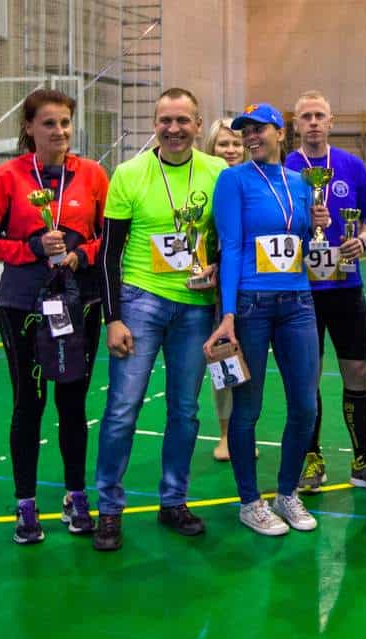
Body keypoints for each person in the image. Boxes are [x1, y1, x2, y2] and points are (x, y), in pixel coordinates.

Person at [0, 88, 110, 546]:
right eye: (48, 123)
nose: (59, 131)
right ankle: (26, 503)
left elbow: (110, 237)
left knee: (72, 404)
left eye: (65, 122)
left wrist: (82, 255)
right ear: (29, 128)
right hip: (23, 306)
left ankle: (76, 495)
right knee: (28, 404)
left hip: (79, 303)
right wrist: (31, 247)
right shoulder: (9, 175)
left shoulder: (92, 175)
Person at [92, 88, 226, 547]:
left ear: (198, 124)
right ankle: (109, 509)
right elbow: (108, 253)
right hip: (140, 302)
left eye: (183, 120)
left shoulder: (217, 172)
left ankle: (173, 500)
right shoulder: (129, 174)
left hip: (194, 306)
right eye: (165, 120)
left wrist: (217, 267)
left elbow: (227, 239)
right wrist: (113, 318)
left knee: (185, 411)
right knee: (122, 409)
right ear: (155, 124)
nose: (174, 129)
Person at [202, 103, 330, 536]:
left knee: (306, 406)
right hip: (251, 304)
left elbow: (303, 244)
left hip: (298, 302)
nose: (251, 137)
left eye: (259, 129)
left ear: (280, 132)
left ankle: (287, 493)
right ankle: (250, 502)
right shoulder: (233, 180)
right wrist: (228, 314)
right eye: (246, 132)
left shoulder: (302, 183)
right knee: (248, 408)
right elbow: (232, 246)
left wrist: (319, 226)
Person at [284, 91, 366, 496]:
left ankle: (362, 461)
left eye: (319, 116)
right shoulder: (286, 169)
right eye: (306, 116)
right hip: (301, 290)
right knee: (307, 375)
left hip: (345, 286)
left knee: (357, 371)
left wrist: (363, 240)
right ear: (296, 124)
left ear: (331, 121)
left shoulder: (351, 165)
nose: (313, 122)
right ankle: (312, 457)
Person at [201, 117, 245, 461]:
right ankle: (226, 434)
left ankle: (246, 431)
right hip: (214, 288)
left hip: (252, 284)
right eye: (223, 144)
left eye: (236, 144)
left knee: (250, 361)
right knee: (223, 359)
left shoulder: (254, 182)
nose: (230, 150)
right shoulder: (203, 185)